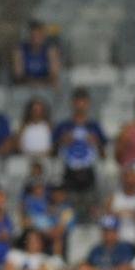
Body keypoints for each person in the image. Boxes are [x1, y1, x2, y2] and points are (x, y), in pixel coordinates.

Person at [52, 87, 107, 217]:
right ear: (72, 103)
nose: (80, 106)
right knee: (69, 210)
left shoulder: (94, 126)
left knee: (92, 209)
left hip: (89, 172)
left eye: (83, 102)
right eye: (77, 102)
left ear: (88, 104)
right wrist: (61, 142)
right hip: (69, 172)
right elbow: (52, 154)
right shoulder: (63, 126)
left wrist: (96, 142)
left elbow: (104, 155)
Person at [103, 159, 135, 246]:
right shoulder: (113, 198)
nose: (128, 178)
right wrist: (114, 216)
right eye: (126, 175)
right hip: (118, 243)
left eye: (132, 175)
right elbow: (105, 221)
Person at [13, 20, 61, 87]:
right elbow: (18, 75)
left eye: (39, 35)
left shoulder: (50, 50)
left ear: (43, 36)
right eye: (33, 35)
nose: (36, 39)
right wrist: (32, 83)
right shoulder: (20, 50)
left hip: (46, 86)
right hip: (26, 86)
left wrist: (41, 83)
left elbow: (54, 74)